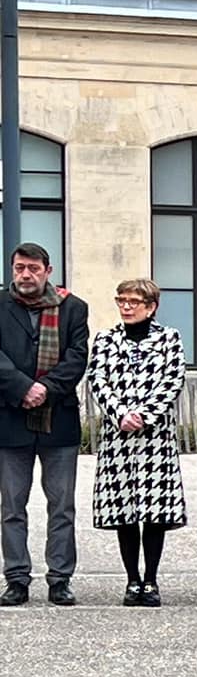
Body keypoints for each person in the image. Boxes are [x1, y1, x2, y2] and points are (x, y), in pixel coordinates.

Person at [88, 278, 188, 608]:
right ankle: (132, 580)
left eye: (133, 301)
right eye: (122, 301)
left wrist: (144, 415)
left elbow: (173, 380)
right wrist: (120, 413)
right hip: (118, 437)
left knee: (154, 512)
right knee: (125, 511)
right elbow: (97, 380)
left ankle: (152, 580)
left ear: (151, 306)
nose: (127, 307)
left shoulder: (169, 338)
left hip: (155, 437)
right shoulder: (105, 339)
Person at [0, 242, 88, 607]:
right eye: (19, 268)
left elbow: (77, 357)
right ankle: (17, 578)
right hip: (10, 419)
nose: (25, 275)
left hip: (59, 421)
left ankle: (59, 579)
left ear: (48, 271)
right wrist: (23, 388)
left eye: (33, 268)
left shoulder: (73, 308)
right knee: (11, 507)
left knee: (62, 506)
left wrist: (45, 390)